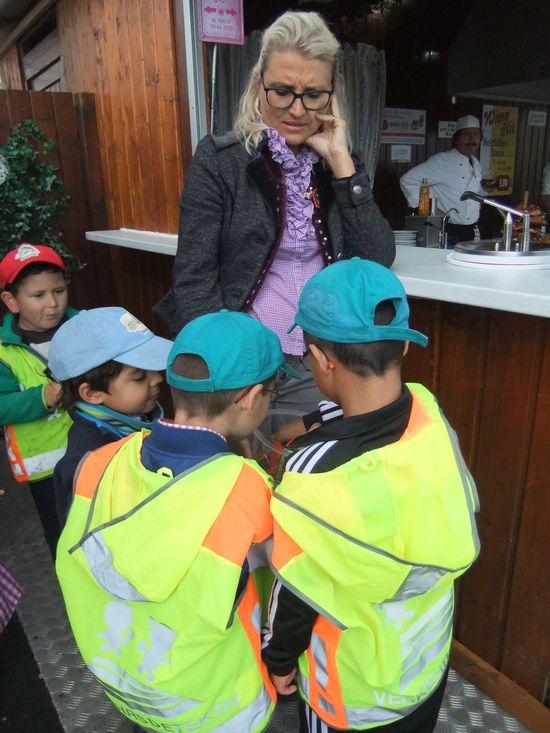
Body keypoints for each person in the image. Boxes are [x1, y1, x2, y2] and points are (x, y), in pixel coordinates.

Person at [262, 258, 480, 733]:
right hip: (423, 668)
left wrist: (278, 658)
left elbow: (296, 590)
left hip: (350, 693)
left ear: (321, 359)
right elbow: (364, 416)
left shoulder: (313, 474)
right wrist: (308, 424)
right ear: (403, 344)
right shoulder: (428, 412)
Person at [55, 310, 300, 733]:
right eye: (272, 393)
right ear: (249, 397)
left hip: (130, 683)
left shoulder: (99, 461)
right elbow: (290, 588)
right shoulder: (245, 489)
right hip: (217, 703)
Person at [155, 10, 394, 418]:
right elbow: (194, 276)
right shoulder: (221, 160)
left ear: (332, 95)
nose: (297, 110)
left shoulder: (339, 164)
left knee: (307, 471)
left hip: (320, 361)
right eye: (282, 91)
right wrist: (229, 363)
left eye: (314, 94)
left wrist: (341, 165)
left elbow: (376, 258)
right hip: (241, 360)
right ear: (258, 86)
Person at [47, 307, 173, 528]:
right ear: (93, 393)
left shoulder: (139, 417)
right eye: (140, 377)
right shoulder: (89, 462)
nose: (157, 379)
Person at [0, 243, 76, 556]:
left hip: (100, 454)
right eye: (38, 295)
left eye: (58, 291)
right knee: (65, 538)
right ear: (11, 301)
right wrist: (41, 398)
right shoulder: (4, 352)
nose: (52, 303)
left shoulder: (83, 328)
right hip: (48, 472)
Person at [399, 115, 483, 245]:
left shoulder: (475, 163)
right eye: (466, 134)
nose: (471, 139)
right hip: (447, 229)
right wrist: (428, 208)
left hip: (471, 230)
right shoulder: (442, 161)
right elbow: (407, 180)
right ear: (456, 139)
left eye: (476, 134)